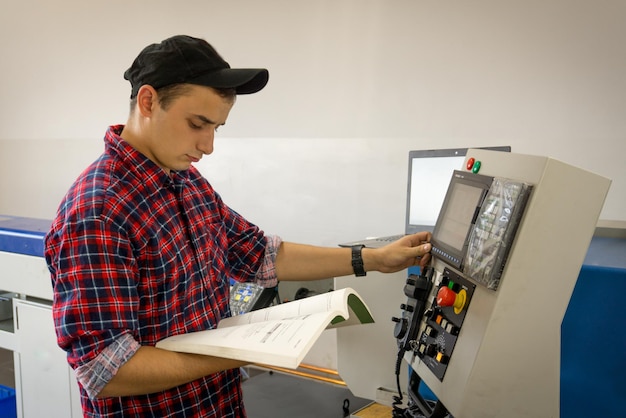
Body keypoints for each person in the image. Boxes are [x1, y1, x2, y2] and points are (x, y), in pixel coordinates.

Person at [44, 35, 432, 418]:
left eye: (217, 127)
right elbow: (107, 370)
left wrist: (373, 259)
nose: (208, 145)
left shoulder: (186, 182)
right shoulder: (97, 212)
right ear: (148, 102)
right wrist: (242, 351)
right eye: (198, 124)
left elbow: (261, 254)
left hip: (220, 404)